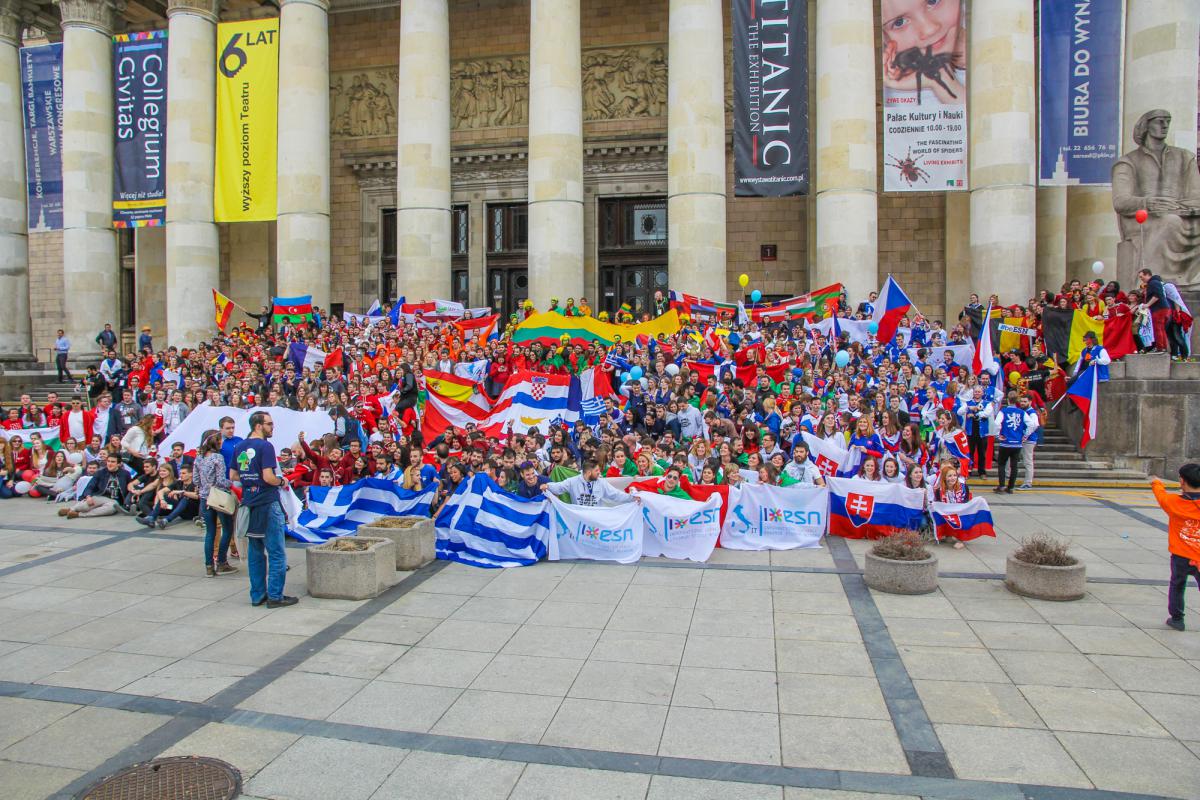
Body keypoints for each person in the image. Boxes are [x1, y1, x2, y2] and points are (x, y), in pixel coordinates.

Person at [231, 411, 297, 608]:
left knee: (255, 551)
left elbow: (233, 474)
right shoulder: (265, 446)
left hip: (250, 502)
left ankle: (257, 594)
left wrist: (249, 479)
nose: (272, 427)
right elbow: (269, 477)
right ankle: (275, 595)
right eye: (269, 423)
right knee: (277, 552)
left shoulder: (240, 446)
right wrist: (282, 480)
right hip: (267, 501)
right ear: (258, 425)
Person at [1150, 465, 1200, 631]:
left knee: (1177, 585)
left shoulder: (1174, 503)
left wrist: (1157, 483)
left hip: (1181, 556)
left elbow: (1161, 496)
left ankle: (1177, 619)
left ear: (1182, 481)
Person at [195, 432, 237, 577]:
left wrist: (204, 488)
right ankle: (221, 562)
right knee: (227, 529)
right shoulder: (217, 457)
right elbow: (220, 480)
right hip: (218, 497)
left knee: (210, 532)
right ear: (216, 442)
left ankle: (208, 566)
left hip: (204, 498)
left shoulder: (198, 457)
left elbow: (196, 480)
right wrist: (231, 484)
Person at [993, 391, 1038, 494]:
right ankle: (1011, 487)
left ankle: (1002, 486)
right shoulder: (1022, 412)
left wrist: (997, 435)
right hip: (1017, 443)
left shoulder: (1003, 411)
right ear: (1017, 400)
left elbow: (996, 423)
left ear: (1008, 400)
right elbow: (1032, 424)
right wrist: (1025, 435)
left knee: (1002, 464)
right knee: (1014, 465)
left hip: (1006, 442)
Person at [543, 459, 635, 507]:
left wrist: (632, 498)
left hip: (595, 519)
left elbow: (616, 494)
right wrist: (547, 486)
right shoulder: (573, 481)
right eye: (597, 470)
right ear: (588, 472)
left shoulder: (601, 482)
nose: (599, 472)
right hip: (579, 519)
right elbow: (559, 487)